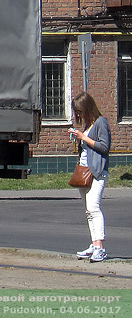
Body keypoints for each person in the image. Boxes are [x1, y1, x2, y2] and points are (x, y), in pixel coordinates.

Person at [69, 92, 110, 263]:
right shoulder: (87, 124)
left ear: (87, 108)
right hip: (84, 171)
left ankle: (100, 248)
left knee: (94, 207)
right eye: (76, 112)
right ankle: (94, 244)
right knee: (88, 210)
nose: (78, 115)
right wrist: (77, 136)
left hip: (97, 172)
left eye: (79, 111)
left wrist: (84, 137)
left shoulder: (101, 123)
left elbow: (104, 147)